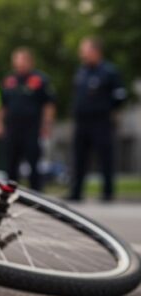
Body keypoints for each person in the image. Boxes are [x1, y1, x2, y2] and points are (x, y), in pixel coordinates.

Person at [69, 37, 127, 202]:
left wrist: (108, 110)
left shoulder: (109, 71)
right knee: (79, 157)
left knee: (105, 157)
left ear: (95, 51)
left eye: (85, 50)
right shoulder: (81, 71)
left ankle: (108, 192)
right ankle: (76, 192)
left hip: (101, 120)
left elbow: (120, 96)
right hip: (82, 121)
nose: (82, 54)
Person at [0, 47, 56, 191]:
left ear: (30, 62)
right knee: (11, 163)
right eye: (16, 61)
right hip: (13, 128)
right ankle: (10, 192)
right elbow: (2, 104)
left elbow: (49, 104)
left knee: (34, 162)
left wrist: (47, 125)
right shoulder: (9, 80)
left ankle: (36, 193)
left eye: (22, 61)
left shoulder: (40, 79)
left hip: (32, 128)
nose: (19, 64)